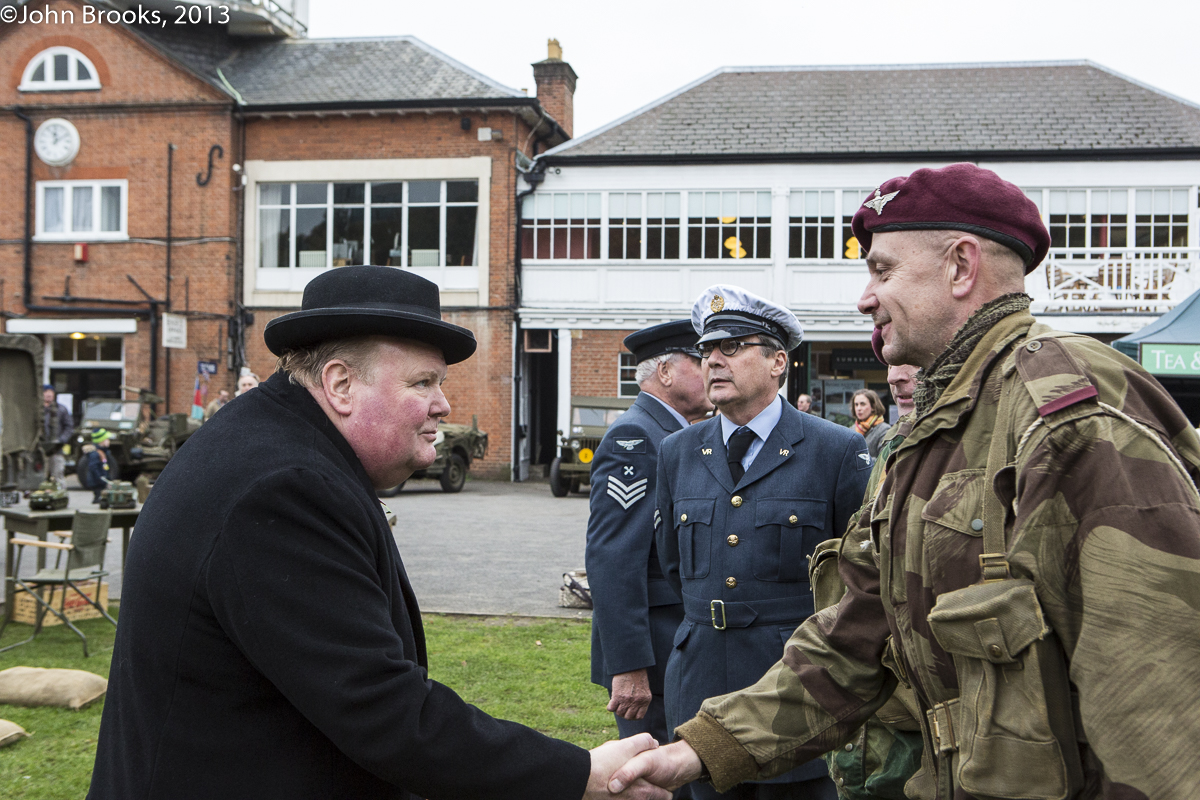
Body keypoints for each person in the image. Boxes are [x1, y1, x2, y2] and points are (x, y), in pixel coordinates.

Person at [609, 163, 1200, 799]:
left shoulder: (1067, 410)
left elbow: (1159, 704)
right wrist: (702, 749)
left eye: (883, 270)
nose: (865, 297)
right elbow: (856, 638)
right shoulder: (931, 433)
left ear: (961, 267)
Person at [89, 267, 666, 800]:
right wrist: (576, 774)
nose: (444, 404)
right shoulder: (284, 486)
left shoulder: (277, 448)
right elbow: (379, 707)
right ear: (340, 384)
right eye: (423, 383)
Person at [652, 285, 871, 800]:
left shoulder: (834, 449)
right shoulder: (677, 452)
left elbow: (858, 577)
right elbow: (672, 567)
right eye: (706, 351)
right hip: (700, 680)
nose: (713, 361)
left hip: (793, 688)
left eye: (732, 348)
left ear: (778, 362)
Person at [587, 320, 712, 777]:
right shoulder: (637, 437)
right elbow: (613, 558)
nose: (713, 368)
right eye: (700, 361)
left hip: (674, 644)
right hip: (652, 656)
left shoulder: (673, 435)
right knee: (653, 779)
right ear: (665, 373)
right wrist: (629, 665)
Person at [41, 384, 73, 481]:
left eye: (51, 392)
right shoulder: (37, 410)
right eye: (46, 392)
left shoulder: (61, 409)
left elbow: (69, 427)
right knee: (40, 477)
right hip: (40, 449)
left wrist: (61, 440)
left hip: (56, 449)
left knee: (58, 475)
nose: (49, 394)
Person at [849, 389, 889, 458]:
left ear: (873, 407)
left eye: (862, 404)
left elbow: (884, 460)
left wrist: (860, 460)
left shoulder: (884, 430)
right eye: (856, 404)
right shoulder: (851, 430)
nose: (858, 408)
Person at [80, 428, 113, 503]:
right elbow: (93, 467)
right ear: (101, 441)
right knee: (99, 494)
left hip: (101, 479)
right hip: (97, 480)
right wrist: (100, 477)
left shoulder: (103, 452)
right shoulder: (95, 454)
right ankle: (97, 499)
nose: (109, 441)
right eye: (107, 439)